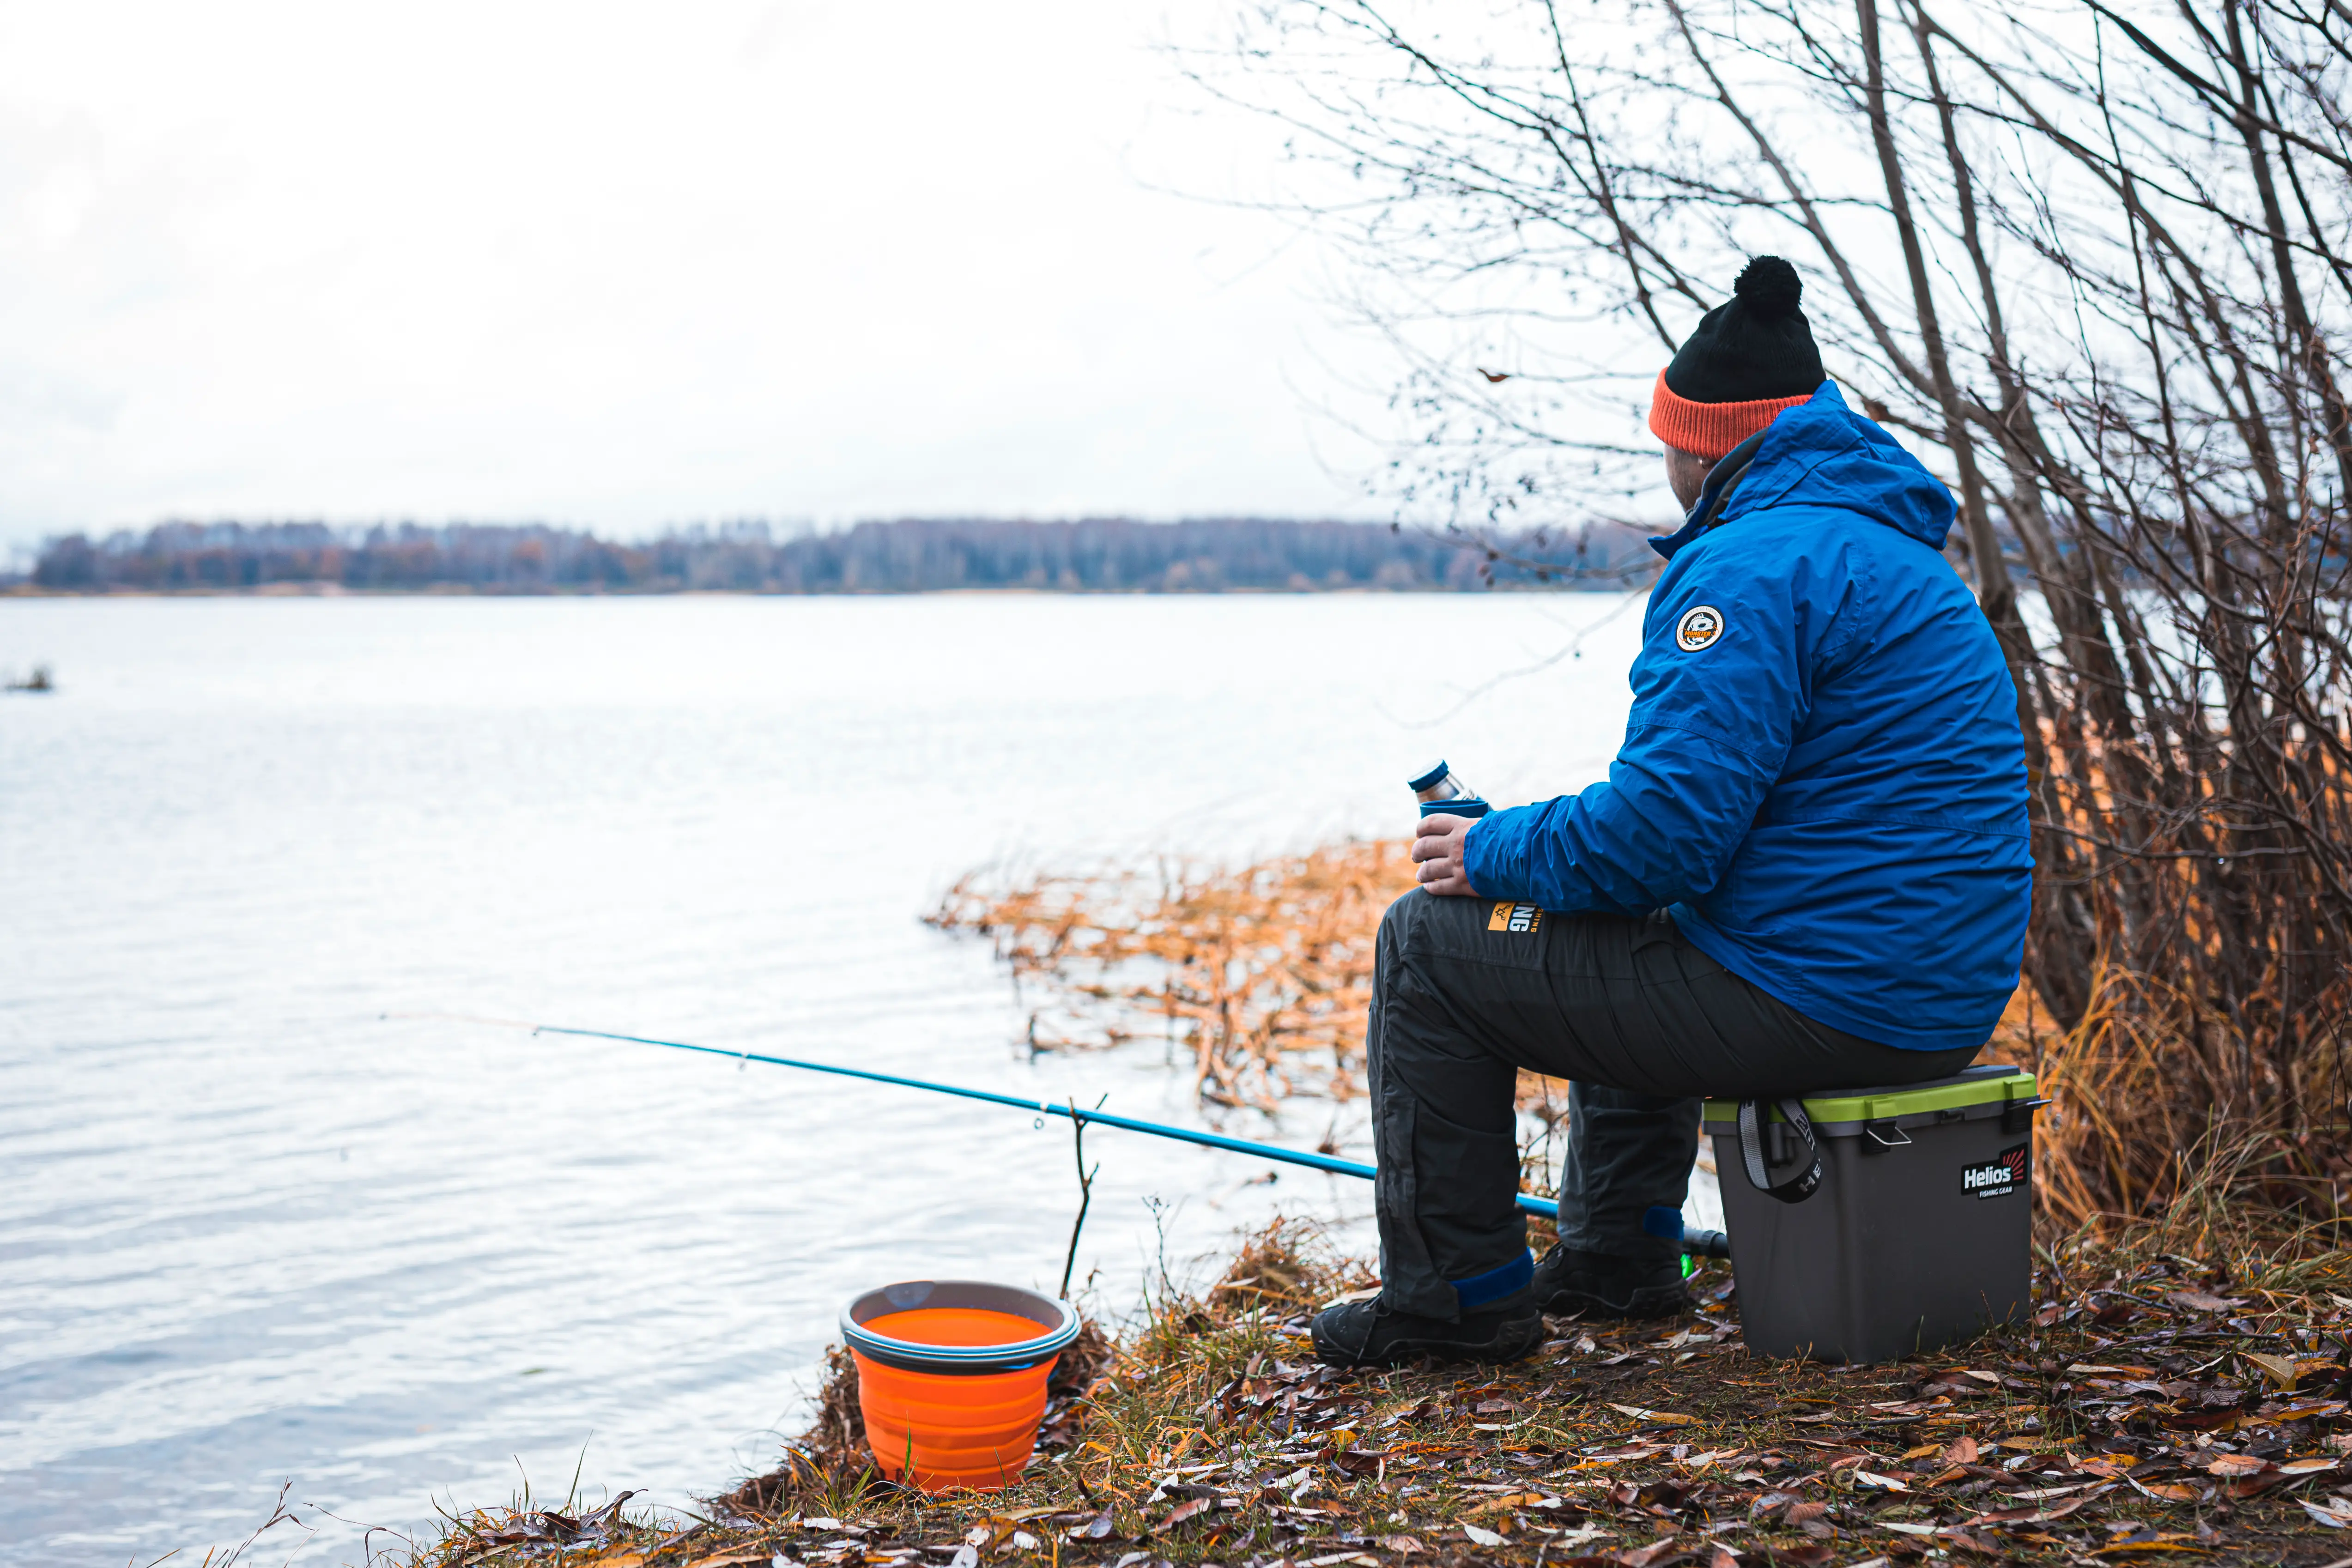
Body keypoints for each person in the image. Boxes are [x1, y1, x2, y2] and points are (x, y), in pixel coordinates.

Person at [1310, 255, 2033, 1368]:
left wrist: (1486, 847)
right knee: (1620, 917)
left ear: (1698, 446)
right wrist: (1544, 857)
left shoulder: (1745, 566)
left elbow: (1655, 841)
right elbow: (1680, 839)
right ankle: (1615, 1256)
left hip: (1825, 997)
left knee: (1424, 946)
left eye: (1664, 439)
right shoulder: (1895, 553)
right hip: (1937, 997)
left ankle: (1454, 1306)